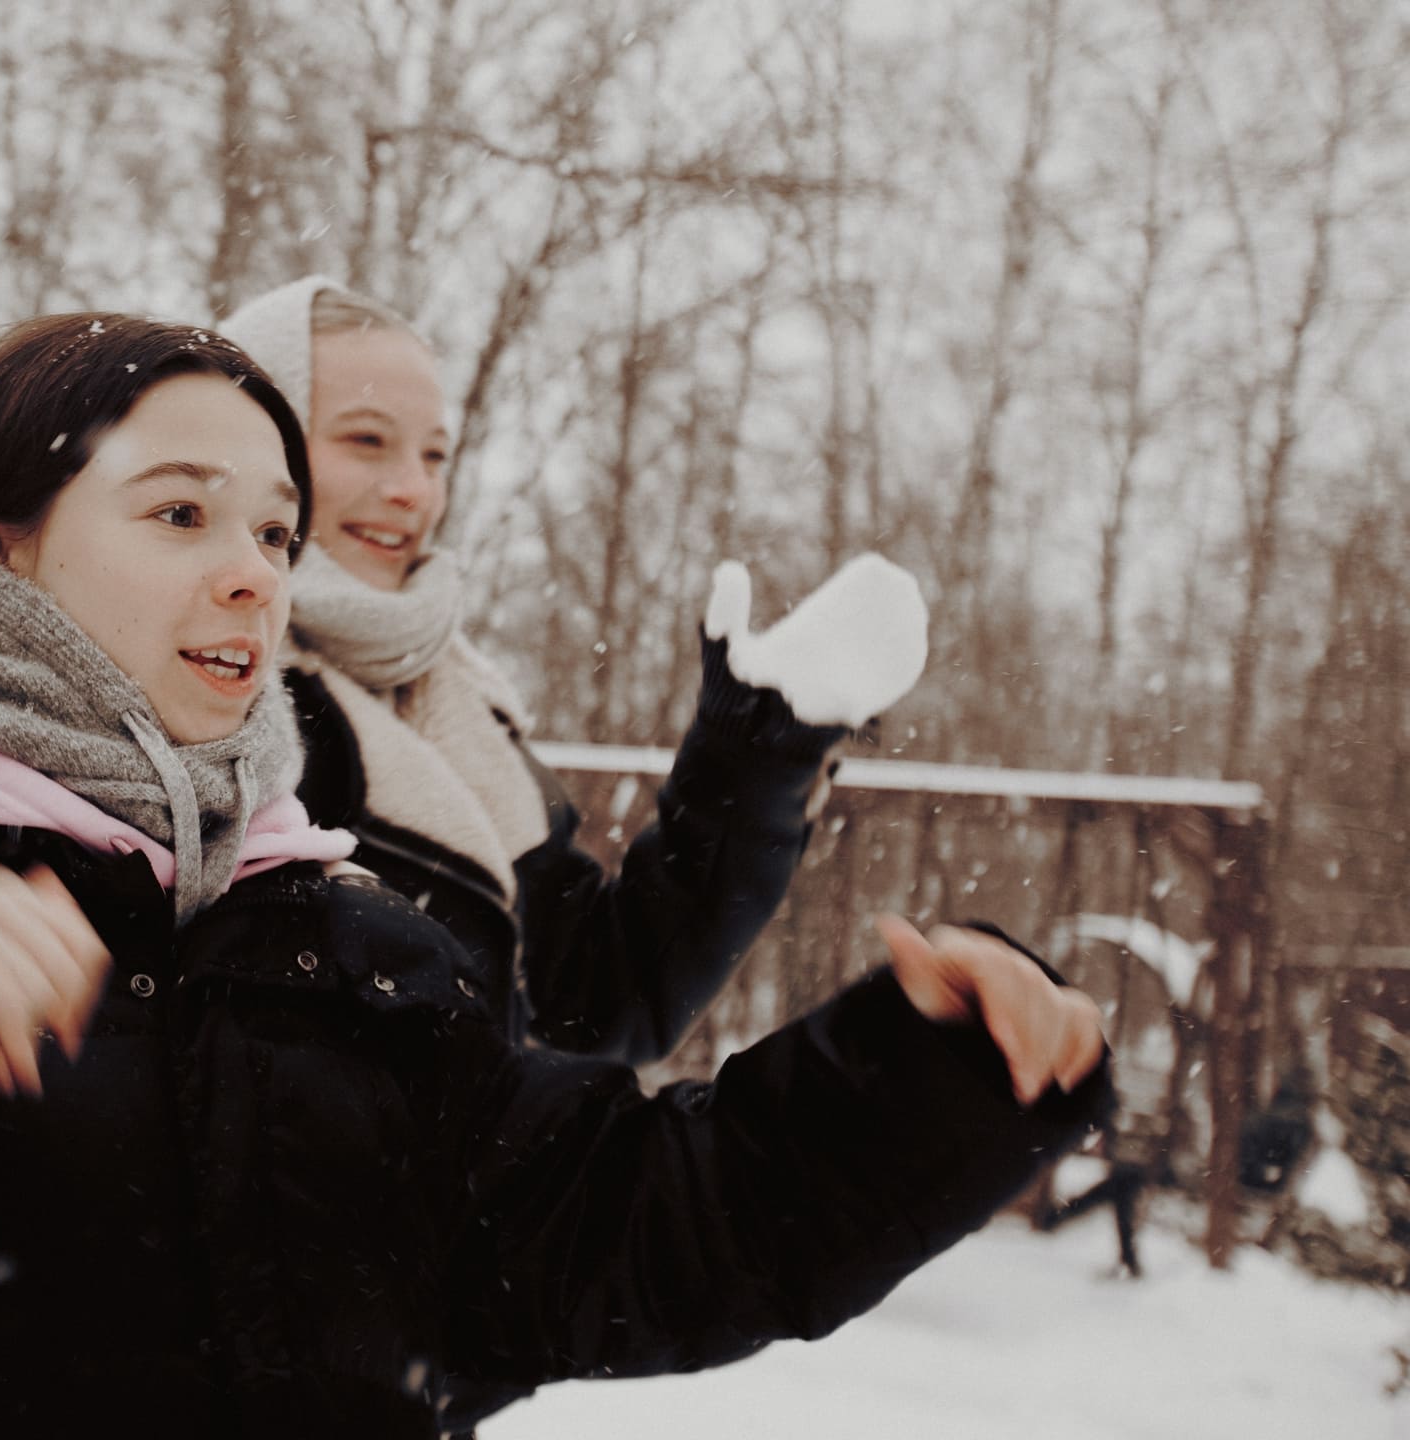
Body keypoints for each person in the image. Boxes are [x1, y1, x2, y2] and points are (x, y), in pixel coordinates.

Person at [0, 312, 1111, 1439]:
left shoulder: (341, 941)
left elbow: (615, 1228)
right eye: (180, 515)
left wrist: (921, 1079)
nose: (256, 570)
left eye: (271, 527)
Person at [217, 278, 923, 1064]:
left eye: (435, 454)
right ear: (254, 450)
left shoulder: (454, 699)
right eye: (366, 440)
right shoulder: (211, 705)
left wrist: (758, 751)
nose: (414, 489)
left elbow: (601, 1002)